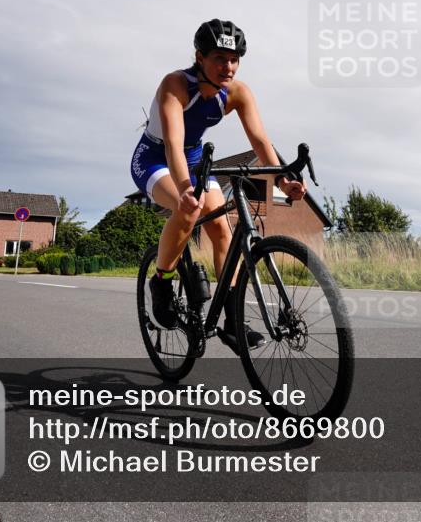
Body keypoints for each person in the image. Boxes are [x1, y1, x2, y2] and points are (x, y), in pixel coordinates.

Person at [130, 19, 306, 352]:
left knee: (224, 233)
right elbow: (172, 143)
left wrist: (284, 179)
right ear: (199, 57)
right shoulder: (175, 85)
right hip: (155, 158)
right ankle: (162, 280)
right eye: (219, 59)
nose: (228, 67)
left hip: (196, 160)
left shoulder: (237, 93)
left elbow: (260, 142)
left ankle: (232, 322)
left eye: (234, 59)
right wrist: (185, 189)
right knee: (188, 210)